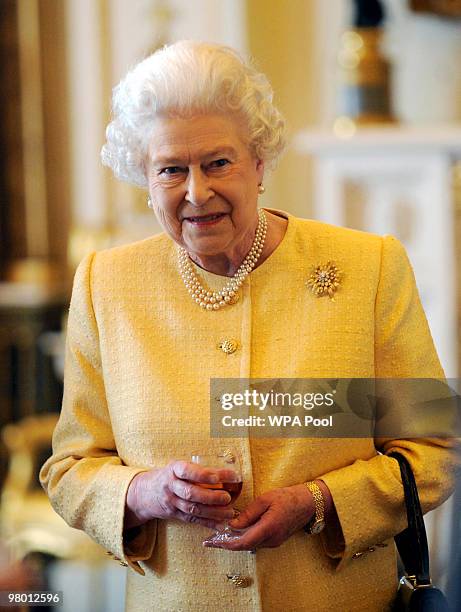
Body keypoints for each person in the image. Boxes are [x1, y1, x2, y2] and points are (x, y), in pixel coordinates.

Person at [40, 40, 458, 611]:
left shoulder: (369, 268)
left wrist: (318, 502)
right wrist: (144, 492)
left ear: (260, 162)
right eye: (170, 169)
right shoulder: (105, 283)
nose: (196, 192)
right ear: (144, 176)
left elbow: (435, 447)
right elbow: (69, 470)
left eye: (218, 162)